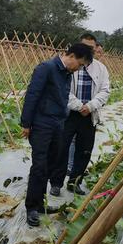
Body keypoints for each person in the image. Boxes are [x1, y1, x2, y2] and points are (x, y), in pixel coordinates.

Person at [21, 43, 93, 227]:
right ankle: (32, 208)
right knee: (39, 166)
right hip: (42, 124)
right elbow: (32, 95)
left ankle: (40, 203)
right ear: (73, 56)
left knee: (51, 164)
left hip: (58, 124)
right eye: (81, 64)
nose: (80, 68)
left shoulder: (67, 74)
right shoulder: (46, 68)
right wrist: (26, 123)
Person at [50, 33, 110, 196]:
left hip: (89, 115)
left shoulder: (100, 68)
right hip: (69, 113)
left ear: (96, 48)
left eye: (91, 47)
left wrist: (90, 106)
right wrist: (78, 105)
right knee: (61, 148)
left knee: (84, 150)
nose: (87, 50)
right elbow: (63, 89)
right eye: (84, 46)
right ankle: (56, 183)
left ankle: (74, 182)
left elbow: (105, 91)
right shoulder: (70, 64)